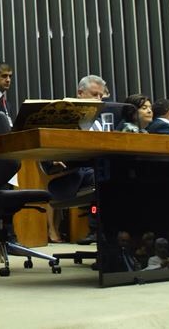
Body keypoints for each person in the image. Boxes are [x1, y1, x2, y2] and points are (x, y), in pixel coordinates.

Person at [43, 75, 104, 244]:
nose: (99, 99)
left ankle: (109, 231)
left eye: (101, 95)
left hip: (94, 170)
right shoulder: (62, 118)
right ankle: (95, 229)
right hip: (69, 175)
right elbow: (48, 148)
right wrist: (52, 161)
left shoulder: (99, 122)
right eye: (94, 94)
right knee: (105, 179)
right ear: (80, 93)